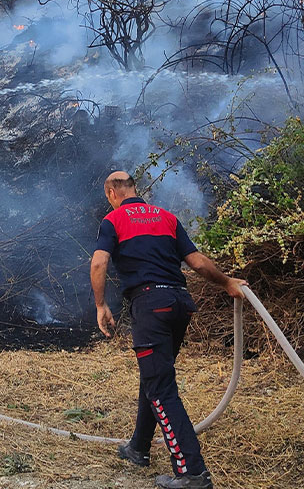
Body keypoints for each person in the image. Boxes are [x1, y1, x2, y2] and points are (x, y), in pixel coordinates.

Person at [91, 171, 247, 489]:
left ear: (111, 192)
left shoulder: (114, 219)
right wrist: (227, 281)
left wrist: (100, 305)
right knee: (155, 375)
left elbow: (98, 263)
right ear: (135, 189)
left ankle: (192, 473)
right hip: (179, 304)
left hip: (150, 306)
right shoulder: (165, 217)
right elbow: (197, 262)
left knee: (161, 387)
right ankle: (138, 447)